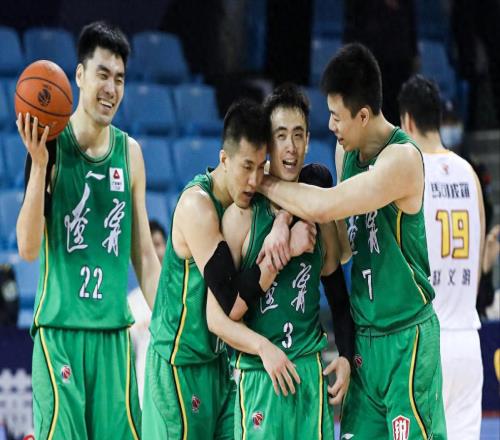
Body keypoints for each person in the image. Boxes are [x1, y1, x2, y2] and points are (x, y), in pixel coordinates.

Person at [259, 43, 447, 439]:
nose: (331, 126)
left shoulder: (401, 159)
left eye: (336, 116)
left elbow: (325, 205)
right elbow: (343, 248)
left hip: (406, 337)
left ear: (363, 115)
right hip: (365, 340)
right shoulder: (346, 155)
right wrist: (283, 221)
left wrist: (258, 178)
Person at [16, 21, 161, 439]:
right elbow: (27, 248)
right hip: (60, 333)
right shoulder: (49, 144)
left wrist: (170, 329)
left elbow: (144, 256)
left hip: (114, 336)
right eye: (102, 74)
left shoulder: (130, 153)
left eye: (120, 79)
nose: (111, 88)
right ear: (78, 75)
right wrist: (39, 166)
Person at [142, 100, 301, 439]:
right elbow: (230, 301)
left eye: (261, 167)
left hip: (217, 364)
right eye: (246, 167)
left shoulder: (246, 202)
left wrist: (283, 221)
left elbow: (309, 182)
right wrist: (279, 255)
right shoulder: (197, 207)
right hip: (178, 365)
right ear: (224, 159)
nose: (254, 180)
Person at [214, 83, 354, 439]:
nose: (290, 146)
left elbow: (337, 294)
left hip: (308, 372)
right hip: (261, 374)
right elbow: (223, 314)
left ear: (308, 142)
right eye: (280, 136)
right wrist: (263, 349)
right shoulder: (240, 217)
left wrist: (345, 356)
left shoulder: (318, 212)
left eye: (298, 135)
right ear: (267, 144)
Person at [398, 74, 485, 440]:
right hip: (468, 339)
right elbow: (477, 264)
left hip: (428, 339)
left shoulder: (410, 172)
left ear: (406, 121)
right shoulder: (469, 173)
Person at [128, 219, 167, 406]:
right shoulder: (132, 303)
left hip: (176, 394)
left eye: (157, 244)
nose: (153, 253)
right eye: (148, 246)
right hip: (144, 399)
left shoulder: (182, 295)